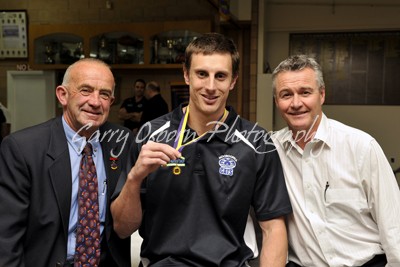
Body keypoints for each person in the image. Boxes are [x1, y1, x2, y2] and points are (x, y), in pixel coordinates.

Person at [111, 32, 292, 267]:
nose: (210, 86)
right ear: (186, 75)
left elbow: (273, 228)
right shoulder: (151, 136)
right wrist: (135, 178)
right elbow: (122, 229)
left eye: (220, 76)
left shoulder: (256, 142)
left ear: (233, 81)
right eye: (202, 74)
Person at [0, 58, 135, 267]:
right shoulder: (23, 149)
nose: (96, 102)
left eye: (105, 94)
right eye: (86, 90)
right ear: (62, 95)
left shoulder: (123, 141)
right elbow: (6, 236)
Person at [271, 55, 400, 267]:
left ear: (321, 94)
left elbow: (394, 226)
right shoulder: (270, 150)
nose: (296, 103)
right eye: (286, 95)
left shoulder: (361, 147)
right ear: (276, 101)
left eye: (305, 92)